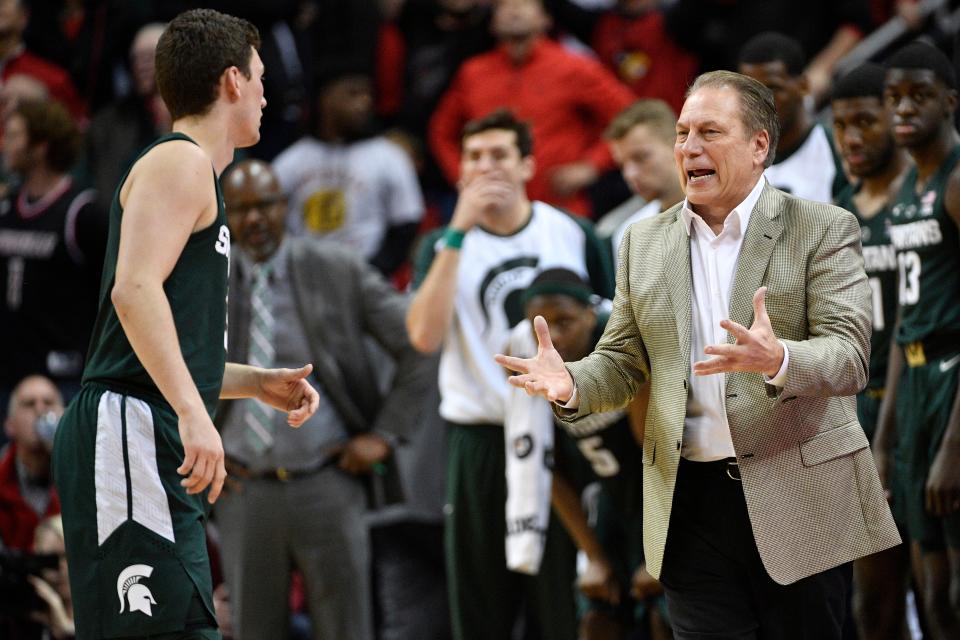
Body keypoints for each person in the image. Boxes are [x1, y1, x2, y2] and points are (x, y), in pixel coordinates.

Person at [497, 69, 900, 638]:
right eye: (683, 133)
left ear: (759, 145)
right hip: (687, 503)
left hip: (799, 492)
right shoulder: (642, 240)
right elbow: (622, 359)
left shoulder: (822, 227)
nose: (688, 147)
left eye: (709, 132)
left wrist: (780, 358)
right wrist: (572, 383)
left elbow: (850, 355)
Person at [51, 10, 319, 640]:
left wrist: (253, 383)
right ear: (232, 80)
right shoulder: (182, 163)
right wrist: (195, 413)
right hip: (129, 428)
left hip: (143, 424)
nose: (265, 92)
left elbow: (153, 340)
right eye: (258, 77)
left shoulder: (194, 174)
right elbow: (134, 291)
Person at [407, 108, 613, 640]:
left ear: (527, 165)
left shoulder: (572, 231)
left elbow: (613, 331)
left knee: (563, 605)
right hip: (480, 437)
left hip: (563, 434)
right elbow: (424, 338)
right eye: (473, 157)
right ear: (459, 173)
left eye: (499, 155)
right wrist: (456, 230)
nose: (486, 167)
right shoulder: (441, 245)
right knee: (481, 605)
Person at [214, 158, 433, 639]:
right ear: (223, 216)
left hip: (328, 480)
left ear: (285, 207)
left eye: (266, 205)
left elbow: (418, 344)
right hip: (243, 488)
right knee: (253, 630)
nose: (254, 219)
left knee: (347, 630)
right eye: (241, 208)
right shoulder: (205, 279)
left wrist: (383, 435)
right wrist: (197, 443)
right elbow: (169, 369)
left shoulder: (335, 268)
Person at [874, 42, 960, 639]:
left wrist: (954, 446)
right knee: (930, 592)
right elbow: (907, 320)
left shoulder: (956, 181)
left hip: (954, 380)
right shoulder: (908, 188)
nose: (904, 108)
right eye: (894, 97)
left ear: (950, 103)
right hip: (915, 383)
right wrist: (884, 439)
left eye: (919, 96)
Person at [830, 62, 912, 640]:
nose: (851, 138)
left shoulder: (928, 194)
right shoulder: (841, 204)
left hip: (919, 389)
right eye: (840, 126)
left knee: (938, 595)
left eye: (865, 121)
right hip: (858, 404)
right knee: (871, 605)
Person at [428, 0, 634, 217]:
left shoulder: (575, 67)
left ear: (546, 19)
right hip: (490, 209)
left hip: (560, 208)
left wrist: (591, 166)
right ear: (492, 21)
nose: (514, 9)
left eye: (526, 3)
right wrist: (464, 176)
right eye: (504, 5)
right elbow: (441, 131)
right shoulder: (473, 73)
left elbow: (631, 116)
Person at [272, 66, 425, 279]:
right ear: (325, 98)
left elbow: (407, 224)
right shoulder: (291, 161)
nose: (364, 102)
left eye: (368, 94)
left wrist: (371, 271)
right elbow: (271, 225)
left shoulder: (389, 156)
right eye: (353, 93)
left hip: (368, 277)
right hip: (305, 279)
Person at [0, 99, 103, 409]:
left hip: (64, 380)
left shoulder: (83, 212)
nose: (5, 144)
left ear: (41, 146)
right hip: (8, 378)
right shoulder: (6, 208)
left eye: (15, 135)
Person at [738, 32, 847, 204]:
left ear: (803, 86)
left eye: (773, 88)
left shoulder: (836, 149)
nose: (762, 102)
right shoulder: (737, 160)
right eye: (752, 92)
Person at [85, 23, 171, 214]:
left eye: (150, 56)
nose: (142, 65)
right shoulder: (107, 122)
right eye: (136, 59)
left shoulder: (197, 113)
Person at [603, 99, 684, 261]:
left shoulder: (729, 216)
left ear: (677, 144)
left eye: (640, 158)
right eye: (622, 165)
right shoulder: (629, 236)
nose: (629, 174)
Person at [1, 375, 61, 552]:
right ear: (9, 425)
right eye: (29, 404)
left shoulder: (81, 476)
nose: (40, 410)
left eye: (48, 403)